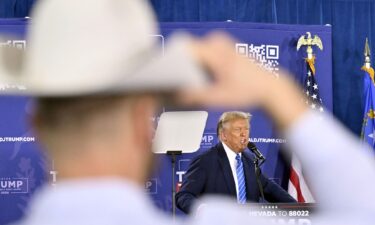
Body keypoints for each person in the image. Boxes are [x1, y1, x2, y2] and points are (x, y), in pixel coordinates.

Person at [1, 0, 375, 225]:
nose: (245, 137)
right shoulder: (218, 220)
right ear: (144, 124)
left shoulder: (244, 173)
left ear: (36, 126)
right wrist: (279, 93)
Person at [176, 111, 296, 214]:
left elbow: (270, 189)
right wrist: (201, 209)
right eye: (238, 129)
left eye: (246, 129)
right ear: (223, 135)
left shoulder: (250, 161)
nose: (244, 134)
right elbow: (184, 196)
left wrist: (299, 208)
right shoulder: (205, 161)